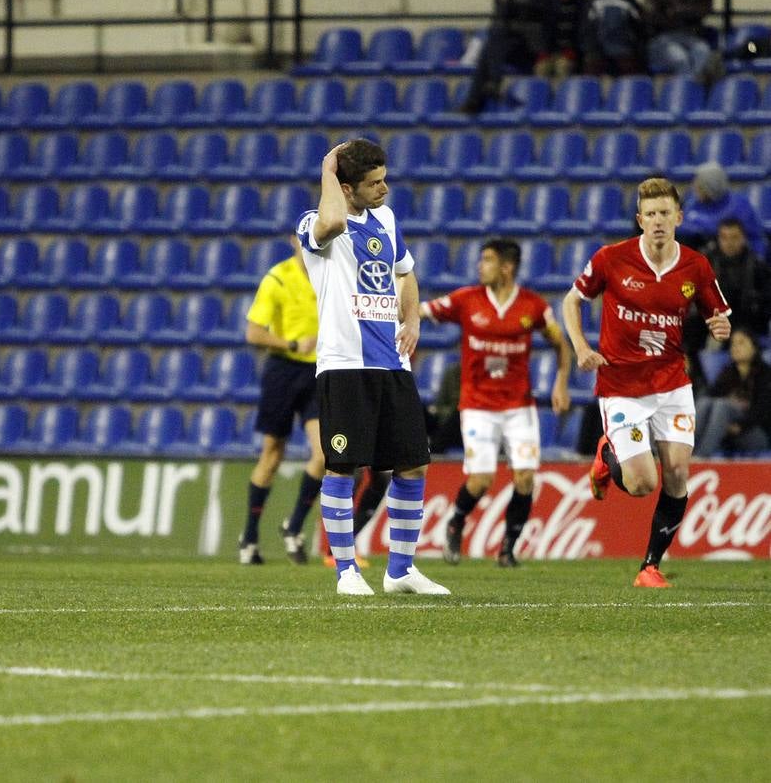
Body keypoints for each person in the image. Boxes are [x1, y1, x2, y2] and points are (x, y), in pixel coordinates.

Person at [296, 138, 449, 596]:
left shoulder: (387, 218)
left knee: (412, 466)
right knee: (343, 468)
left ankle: (400, 571)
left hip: (393, 364)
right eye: (373, 183)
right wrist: (327, 170)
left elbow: (405, 272)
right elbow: (335, 218)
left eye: (385, 179)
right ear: (346, 187)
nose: (384, 189)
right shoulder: (314, 224)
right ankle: (346, 572)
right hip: (345, 366)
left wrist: (414, 317)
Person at [561, 177, 731, 588]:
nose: (657, 221)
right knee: (641, 484)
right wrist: (583, 347)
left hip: (672, 383)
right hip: (622, 385)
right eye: (650, 214)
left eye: (664, 214)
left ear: (678, 217)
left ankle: (650, 567)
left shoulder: (696, 266)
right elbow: (571, 301)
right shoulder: (611, 259)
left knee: (676, 473)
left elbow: (718, 312)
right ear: (640, 219)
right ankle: (608, 456)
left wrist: (720, 325)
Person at [420, 239, 573, 567]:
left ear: (507, 267)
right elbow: (423, 310)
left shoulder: (533, 307)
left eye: (487, 260)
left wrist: (561, 383)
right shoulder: (466, 300)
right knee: (481, 479)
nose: (480, 266)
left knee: (525, 478)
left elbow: (561, 344)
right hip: (477, 406)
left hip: (519, 407)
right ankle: (456, 520)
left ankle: (507, 549)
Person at [238, 234, 323, 566]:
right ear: (295, 241)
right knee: (273, 454)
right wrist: (290, 344)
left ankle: (293, 526)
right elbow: (253, 332)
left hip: (319, 371)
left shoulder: (329, 275)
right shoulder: (277, 278)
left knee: (325, 453)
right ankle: (249, 536)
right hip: (284, 370)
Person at [462, 0, 557, 114]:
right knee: (492, 41)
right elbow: (500, 18)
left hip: (534, 50)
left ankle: (476, 99)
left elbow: (545, 25)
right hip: (514, 44)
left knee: (491, 48)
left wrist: (515, 24)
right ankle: (490, 85)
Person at [684, 219, 771, 360]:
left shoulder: (756, 266)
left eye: (734, 237)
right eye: (724, 237)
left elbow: (766, 303)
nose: (729, 243)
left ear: (743, 238)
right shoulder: (705, 261)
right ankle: (692, 368)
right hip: (710, 318)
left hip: (744, 321)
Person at [694, 328, 771, 456]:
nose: (735, 347)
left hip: (753, 432)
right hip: (725, 432)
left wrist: (740, 426)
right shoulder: (728, 373)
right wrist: (721, 424)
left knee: (722, 405)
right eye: (733, 344)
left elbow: (763, 411)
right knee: (704, 402)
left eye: (741, 343)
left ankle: (701, 457)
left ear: (754, 347)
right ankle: (685, 452)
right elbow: (711, 397)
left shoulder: (765, 374)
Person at [677, 162, 767, 260]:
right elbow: (680, 226)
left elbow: (756, 238)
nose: (695, 188)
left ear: (711, 188)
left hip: (736, 261)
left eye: (700, 186)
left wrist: (758, 259)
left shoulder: (740, 206)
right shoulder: (692, 202)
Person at [583, 0, 647, 77]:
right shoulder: (594, 2)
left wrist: (633, 47)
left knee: (629, 66)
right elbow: (588, 29)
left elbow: (639, 27)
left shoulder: (629, 1)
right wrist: (592, 48)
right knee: (592, 65)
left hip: (624, 51)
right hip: (599, 51)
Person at [535, 0, 586, 81]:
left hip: (573, 54)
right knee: (541, 68)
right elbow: (546, 33)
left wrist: (573, 52)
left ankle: (562, 97)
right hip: (553, 52)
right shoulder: (552, 6)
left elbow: (582, 35)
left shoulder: (582, 6)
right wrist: (544, 52)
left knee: (562, 67)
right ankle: (541, 97)